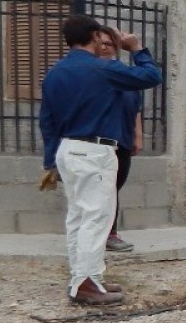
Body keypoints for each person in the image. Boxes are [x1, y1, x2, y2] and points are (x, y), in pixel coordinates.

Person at [39, 15, 162, 306]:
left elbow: (47, 120)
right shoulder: (103, 69)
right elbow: (151, 77)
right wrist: (136, 48)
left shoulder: (55, 73)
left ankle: (86, 276)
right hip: (94, 150)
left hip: (67, 149)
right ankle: (85, 283)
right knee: (97, 217)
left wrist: (50, 160)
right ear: (95, 36)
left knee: (78, 218)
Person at [98, 27, 145, 254]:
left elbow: (135, 107)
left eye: (111, 44)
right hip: (104, 140)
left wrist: (138, 134)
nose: (107, 48)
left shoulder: (121, 73)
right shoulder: (96, 73)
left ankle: (110, 233)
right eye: (103, 43)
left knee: (114, 188)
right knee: (104, 189)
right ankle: (106, 234)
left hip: (124, 140)